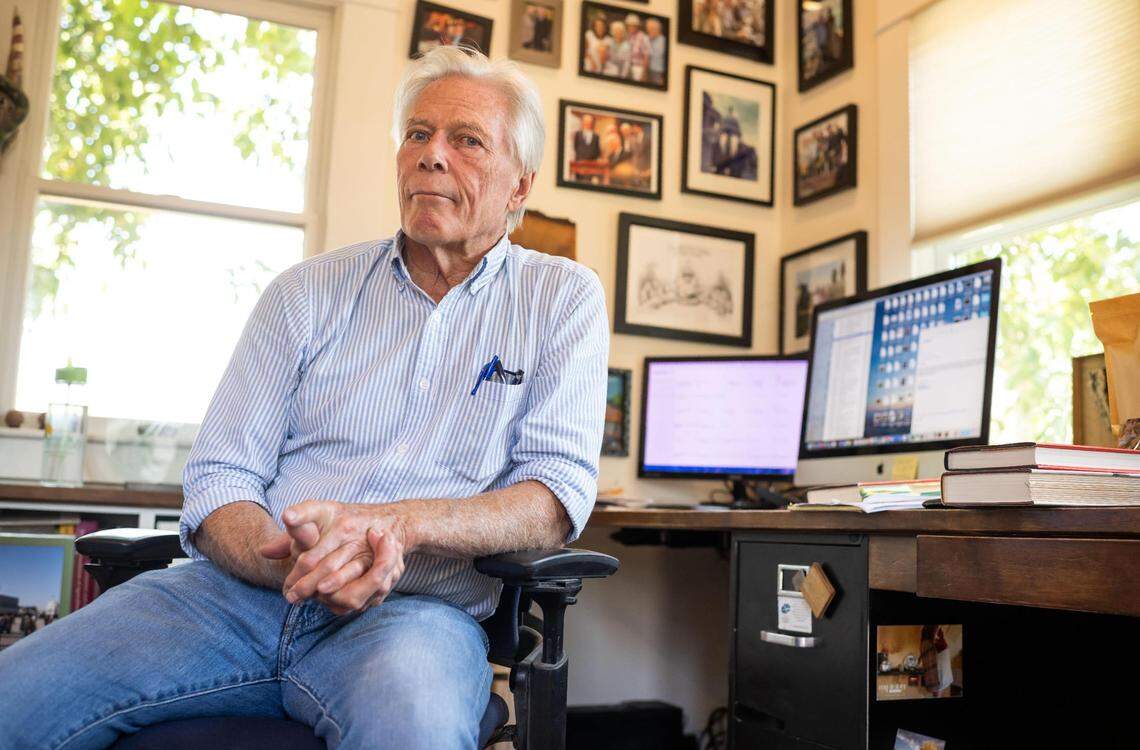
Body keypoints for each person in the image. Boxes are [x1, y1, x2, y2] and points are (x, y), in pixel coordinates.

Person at [0, 46, 608, 750]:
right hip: (231, 602)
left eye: (466, 140)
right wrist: (296, 564)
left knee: (414, 732)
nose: (431, 155)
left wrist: (390, 529)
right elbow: (220, 478)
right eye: (417, 134)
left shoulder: (560, 299)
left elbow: (554, 498)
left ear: (519, 186)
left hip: (412, 616)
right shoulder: (305, 292)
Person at [625, 14, 651, 82]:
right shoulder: (626, 36)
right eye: (629, 25)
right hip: (626, 66)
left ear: (637, 26)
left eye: (633, 25)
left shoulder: (644, 37)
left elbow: (646, 56)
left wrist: (644, 73)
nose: (631, 27)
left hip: (638, 68)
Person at [646, 18, 667, 86]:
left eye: (651, 29)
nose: (649, 31)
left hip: (659, 73)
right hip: (649, 71)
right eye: (648, 29)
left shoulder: (663, 41)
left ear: (658, 29)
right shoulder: (649, 40)